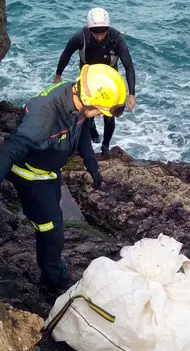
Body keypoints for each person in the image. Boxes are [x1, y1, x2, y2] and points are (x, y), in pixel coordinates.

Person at [0, 64, 127, 297]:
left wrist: (93, 167)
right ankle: (54, 281)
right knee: (51, 229)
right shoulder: (44, 117)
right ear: (89, 98)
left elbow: (83, 137)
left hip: (51, 172)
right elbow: (11, 149)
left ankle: (51, 268)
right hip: (31, 175)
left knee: (52, 217)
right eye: (99, 110)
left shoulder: (80, 106)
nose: (99, 114)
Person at [54, 7, 136, 156]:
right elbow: (66, 54)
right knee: (87, 113)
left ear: (108, 28)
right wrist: (58, 75)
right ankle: (91, 134)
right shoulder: (80, 37)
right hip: (88, 80)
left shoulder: (116, 38)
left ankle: (105, 147)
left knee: (109, 116)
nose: (99, 36)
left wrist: (132, 94)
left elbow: (129, 65)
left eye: (103, 32)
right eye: (95, 33)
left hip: (109, 82)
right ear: (89, 29)